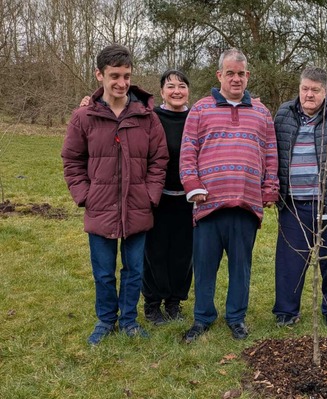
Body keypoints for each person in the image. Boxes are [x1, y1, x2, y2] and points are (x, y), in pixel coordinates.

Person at [62, 44, 169, 345]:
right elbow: (71, 160)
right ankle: (106, 320)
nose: (121, 83)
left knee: (134, 270)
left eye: (127, 75)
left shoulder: (147, 117)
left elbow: (159, 160)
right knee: (104, 273)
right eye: (115, 76)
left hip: (137, 206)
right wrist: (85, 195)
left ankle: (129, 320)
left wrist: (150, 195)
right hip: (100, 208)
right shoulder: (83, 117)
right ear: (100, 75)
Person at [179, 48, 279, 342]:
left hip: (246, 204)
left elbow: (271, 154)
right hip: (208, 204)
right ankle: (203, 318)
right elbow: (187, 153)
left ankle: (237, 317)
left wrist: (269, 189)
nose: (236, 79)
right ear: (219, 75)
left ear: (248, 76)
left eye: (241, 74)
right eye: (230, 73)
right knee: (205, 266)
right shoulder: (200, 109)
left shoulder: (262, 113)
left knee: (241, 267)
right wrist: (193, 186)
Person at [273, 67, 327, 330]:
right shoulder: (284, 114)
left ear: (325, 91)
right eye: (304, 89)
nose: (308, 95)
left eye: (315, 90)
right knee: (290, 260)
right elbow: (272, 153)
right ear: (299, 89)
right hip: (293, 203)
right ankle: (286, 312)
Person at [142, 70, 194, 325]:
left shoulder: (196, 117)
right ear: (161, 92)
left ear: (188, 91)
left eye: (181, 86)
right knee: (155, 252)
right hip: (157, 197)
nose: (176, 91)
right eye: (170, 86)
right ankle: (152, 303)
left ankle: (175, 302)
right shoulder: (151, 118)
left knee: (183, 254)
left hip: (189, 199)